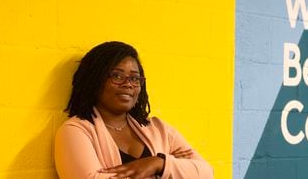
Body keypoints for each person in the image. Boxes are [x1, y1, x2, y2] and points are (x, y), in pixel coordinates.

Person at [55, 41, 214, 179]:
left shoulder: (159, 129)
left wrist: (159, 163)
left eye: (134, 78)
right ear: (94, 80)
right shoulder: (74, 131)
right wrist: (177, 171)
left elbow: (206, 173)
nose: (128, 84)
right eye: (117, 76)